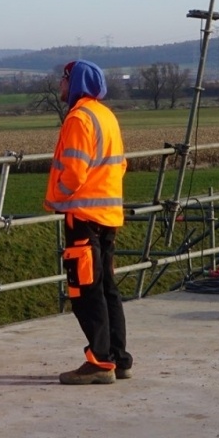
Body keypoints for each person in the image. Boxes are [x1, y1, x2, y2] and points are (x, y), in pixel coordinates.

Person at [48, 60, 131, 385]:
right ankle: (118, 358)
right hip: (108, 215)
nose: (60, 86)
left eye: (63, 80)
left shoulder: (79, 118)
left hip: (84, 216)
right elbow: (120, 165)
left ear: (75, 82)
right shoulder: (106, 116)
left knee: (86, 291)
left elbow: (74, 171)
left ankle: (99, 362)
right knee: (107, 288)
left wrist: (60, 197)